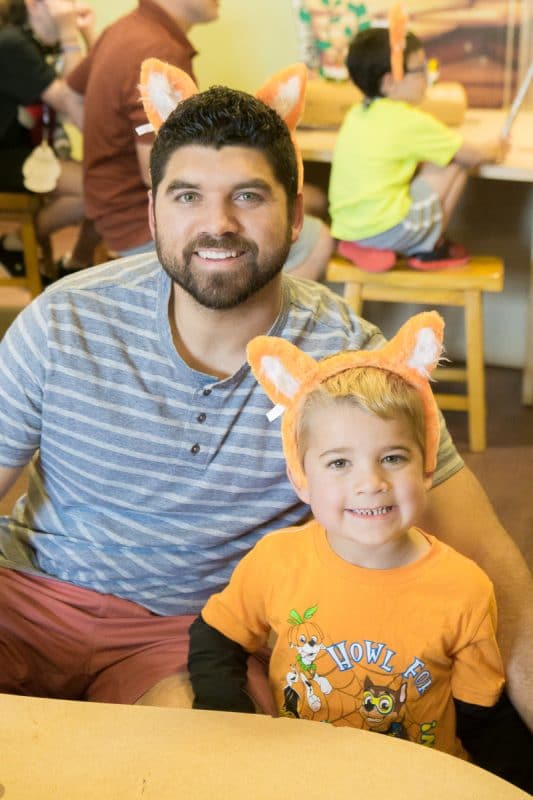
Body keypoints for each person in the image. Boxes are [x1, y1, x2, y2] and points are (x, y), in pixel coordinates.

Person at [0, 84, 531, 730]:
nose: (216, 223)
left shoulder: (351, 360)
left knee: (210, 760)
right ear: (152, 214)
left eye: (247, 196)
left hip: (188, 635)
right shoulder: (62, 321)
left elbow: (483, 551)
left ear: (296, 214)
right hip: (26, 597)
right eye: (187, 196)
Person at [188, 312, 532, 791]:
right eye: (340, 462)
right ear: (301, 478)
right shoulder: (275, 561)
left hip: (416, 784)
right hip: (300, 779)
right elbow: (215, 636)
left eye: (392, 457)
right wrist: (230, 718)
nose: (370, 483)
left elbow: (481, 715)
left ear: (428, 468)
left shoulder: (467, 590)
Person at [328, 27, 508, 272]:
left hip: (348, 227)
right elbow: (472, 154)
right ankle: (428, 247)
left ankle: (364, 245)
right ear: (390, 82)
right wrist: (497, 149)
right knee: (456, 161)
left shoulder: (357, 113)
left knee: (439, 157)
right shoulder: (407, 120)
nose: (428, 76)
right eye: (420, 69)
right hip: (386, 229)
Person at [65, 0, 219, 258]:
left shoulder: (123, 29)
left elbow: (71, 94)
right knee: (305, 237)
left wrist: (108, 138)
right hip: (141, 222)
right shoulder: (159, 48)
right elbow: (156, 171)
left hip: (108, 208)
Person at [0, 0, 98, 275]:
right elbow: (73, 105)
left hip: (27, 152)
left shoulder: (40, 46)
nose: (74, 5)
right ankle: (20, 241)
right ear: (34, 4)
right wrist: (69, 34)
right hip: (7, 155)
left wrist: (88, 35)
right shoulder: (11, 45)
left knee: (104, 184)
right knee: (99, 188)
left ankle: (70, 260)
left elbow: (93, 92)